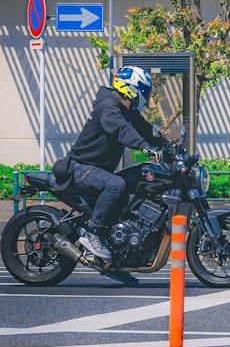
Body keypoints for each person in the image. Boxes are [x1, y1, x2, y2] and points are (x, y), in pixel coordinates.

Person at [55, 65, 162, 262]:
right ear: (132, 89)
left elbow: (145, 129)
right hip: (80, 168)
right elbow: (121, 130)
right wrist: (144, 146)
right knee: (116, 184)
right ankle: (93, 233)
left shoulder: (126, 110)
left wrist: (165, 144)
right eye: (145, 91)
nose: (146, 97)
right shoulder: (108, 107)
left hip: (95, 170)